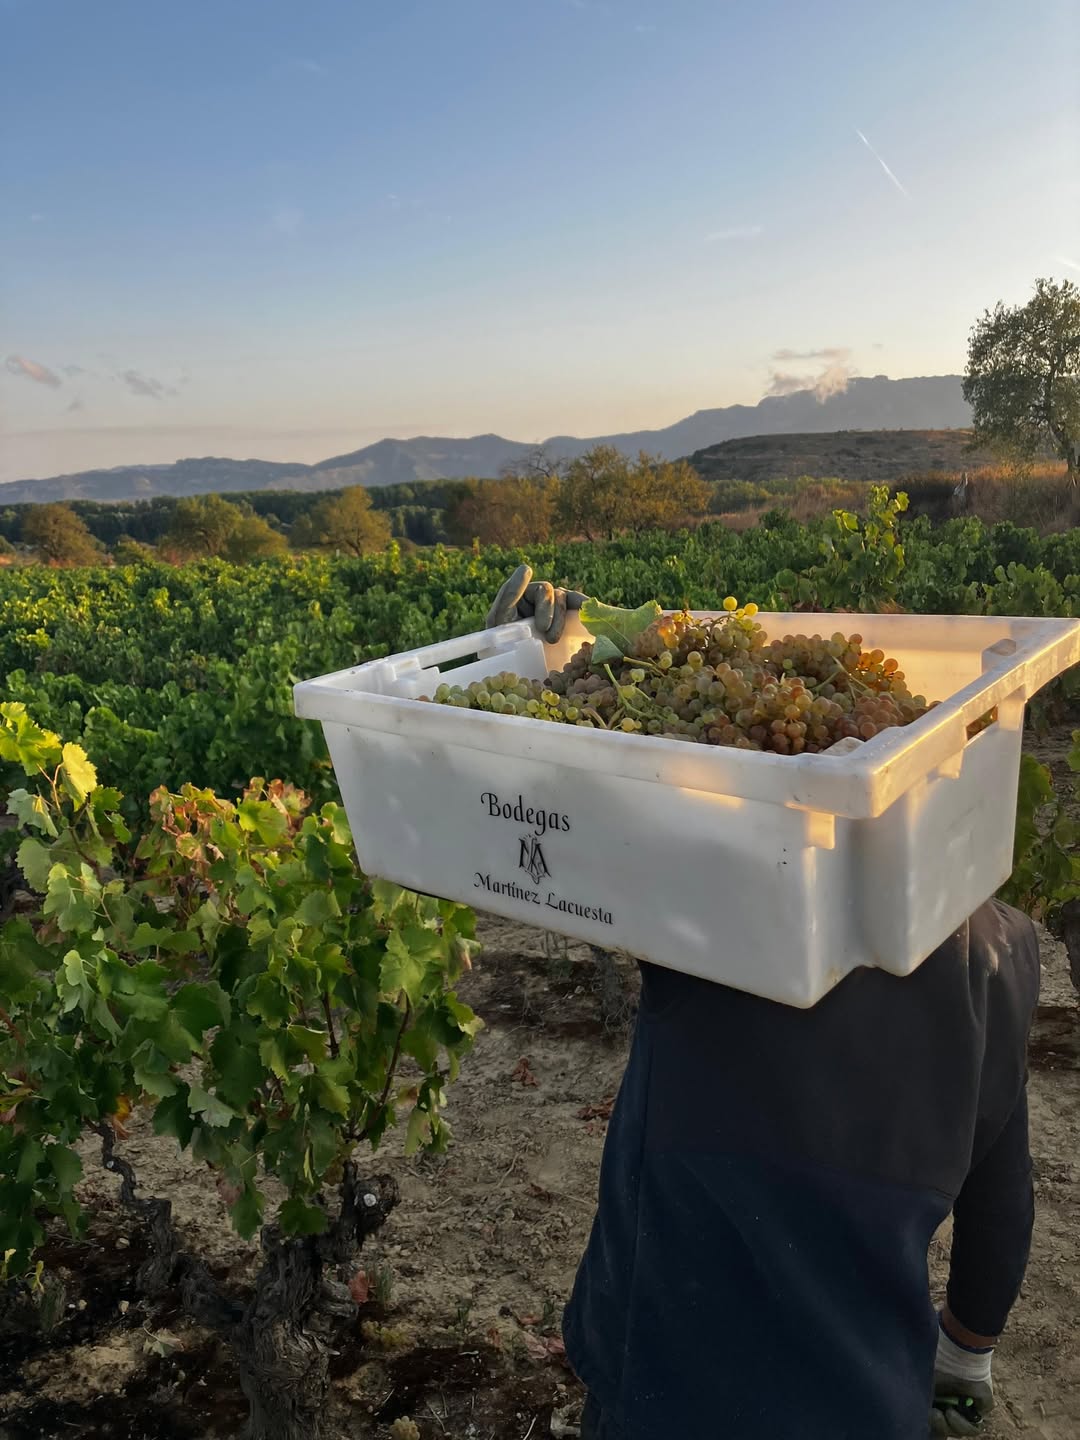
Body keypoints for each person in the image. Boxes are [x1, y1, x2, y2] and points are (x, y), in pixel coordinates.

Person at [487, 568, 1042, 1440]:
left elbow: (576, 815)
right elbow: (1002, 1205)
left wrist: (547, 657)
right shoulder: (1003, 956)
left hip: (666, 1380)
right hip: (863, 1401)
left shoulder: (719, 912)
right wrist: (967, 1352)